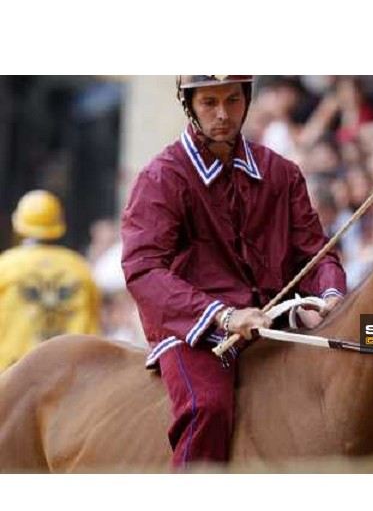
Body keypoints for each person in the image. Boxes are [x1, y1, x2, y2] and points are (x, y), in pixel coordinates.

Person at [121, 75, 347, 468]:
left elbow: (317, 255)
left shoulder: (282, 173)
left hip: (272, 321)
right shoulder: (161, 177)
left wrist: (329, 298)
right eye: (209, 102)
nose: (222, 114)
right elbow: (143, 269)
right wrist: (223, 316)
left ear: (247, 100)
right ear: (189, 104)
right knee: (208, 407)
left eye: (232, 100)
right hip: (195, 333)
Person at [0, 190, 99, 372]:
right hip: (70, 375)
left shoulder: (6, 266)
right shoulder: (79, 267)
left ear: (18, 224)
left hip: (13, 373)